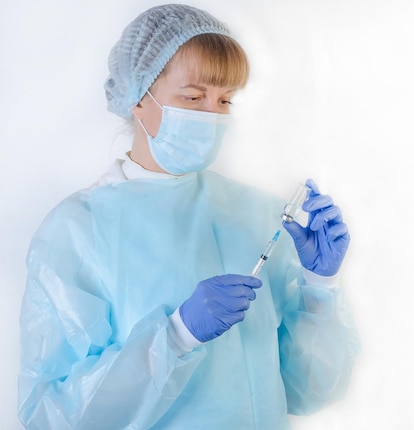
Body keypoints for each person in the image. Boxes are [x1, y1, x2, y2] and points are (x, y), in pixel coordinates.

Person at [18, 4, 360, 429]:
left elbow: (306, 390)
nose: (211, 115)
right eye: (194, 97)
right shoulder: (77, 231)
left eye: (225, 100)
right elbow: (52, 416)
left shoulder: (256, 213)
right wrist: (176, 336)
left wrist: (319, 287)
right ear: (137, 97)